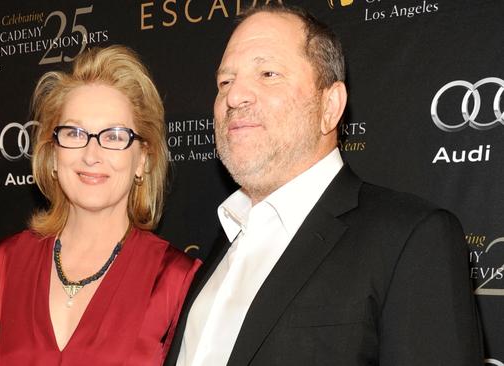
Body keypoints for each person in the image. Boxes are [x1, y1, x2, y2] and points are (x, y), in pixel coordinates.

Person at [166, 5, 483, 366]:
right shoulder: (227, 237)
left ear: (330, 106)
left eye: (268, 73)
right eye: (225, 81)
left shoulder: (410, 239)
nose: (234, 97)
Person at [0, 45, 200, 365]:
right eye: (75, 133)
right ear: (52, 153)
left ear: (143, 159)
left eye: (115, 136)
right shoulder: (3, 263)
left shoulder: (177, 280)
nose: (91, 155)